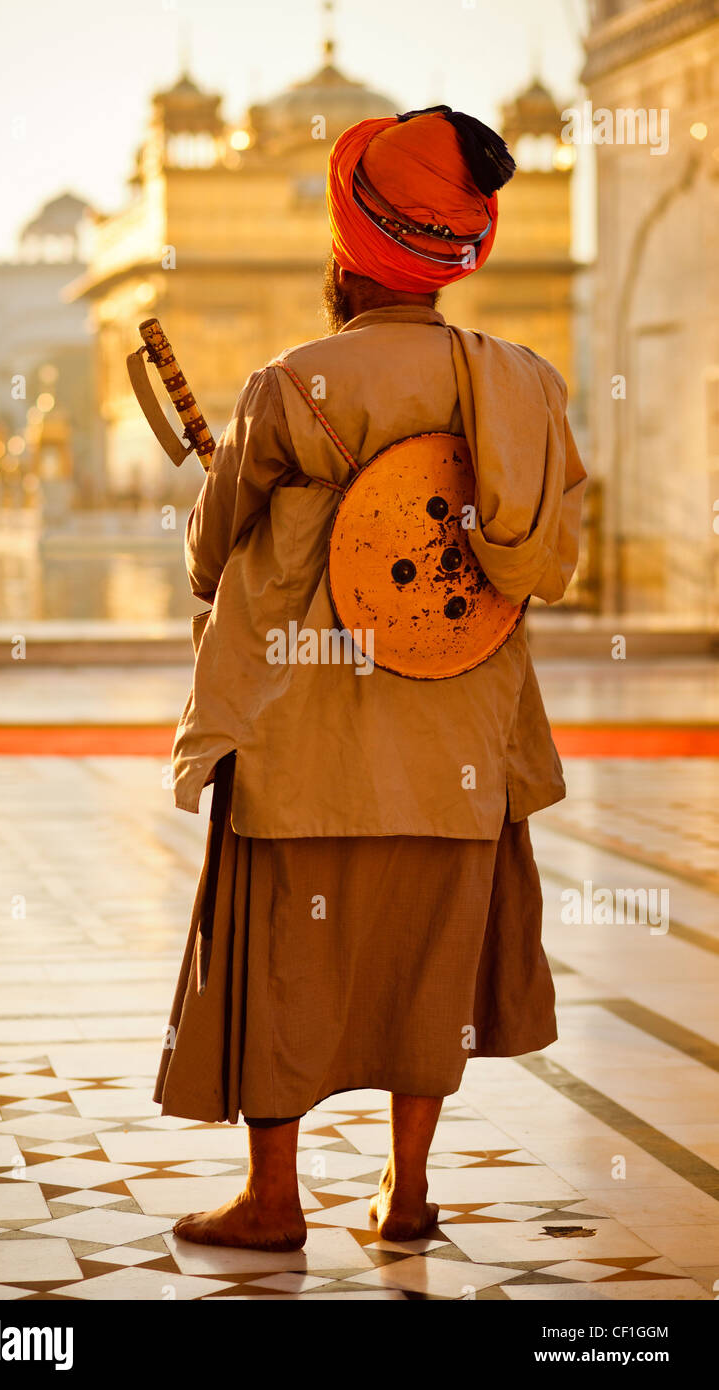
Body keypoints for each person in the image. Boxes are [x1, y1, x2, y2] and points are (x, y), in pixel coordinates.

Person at [153, 105, 587, 1252]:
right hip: (454, 741)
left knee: (284, 956)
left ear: (345, 259)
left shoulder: (289, 385)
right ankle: (404, 1191)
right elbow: (550, 557)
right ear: (453, 261)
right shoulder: (521, 388)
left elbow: (210, 553)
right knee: (423, 956)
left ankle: (274, 1197)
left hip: (304, 740)